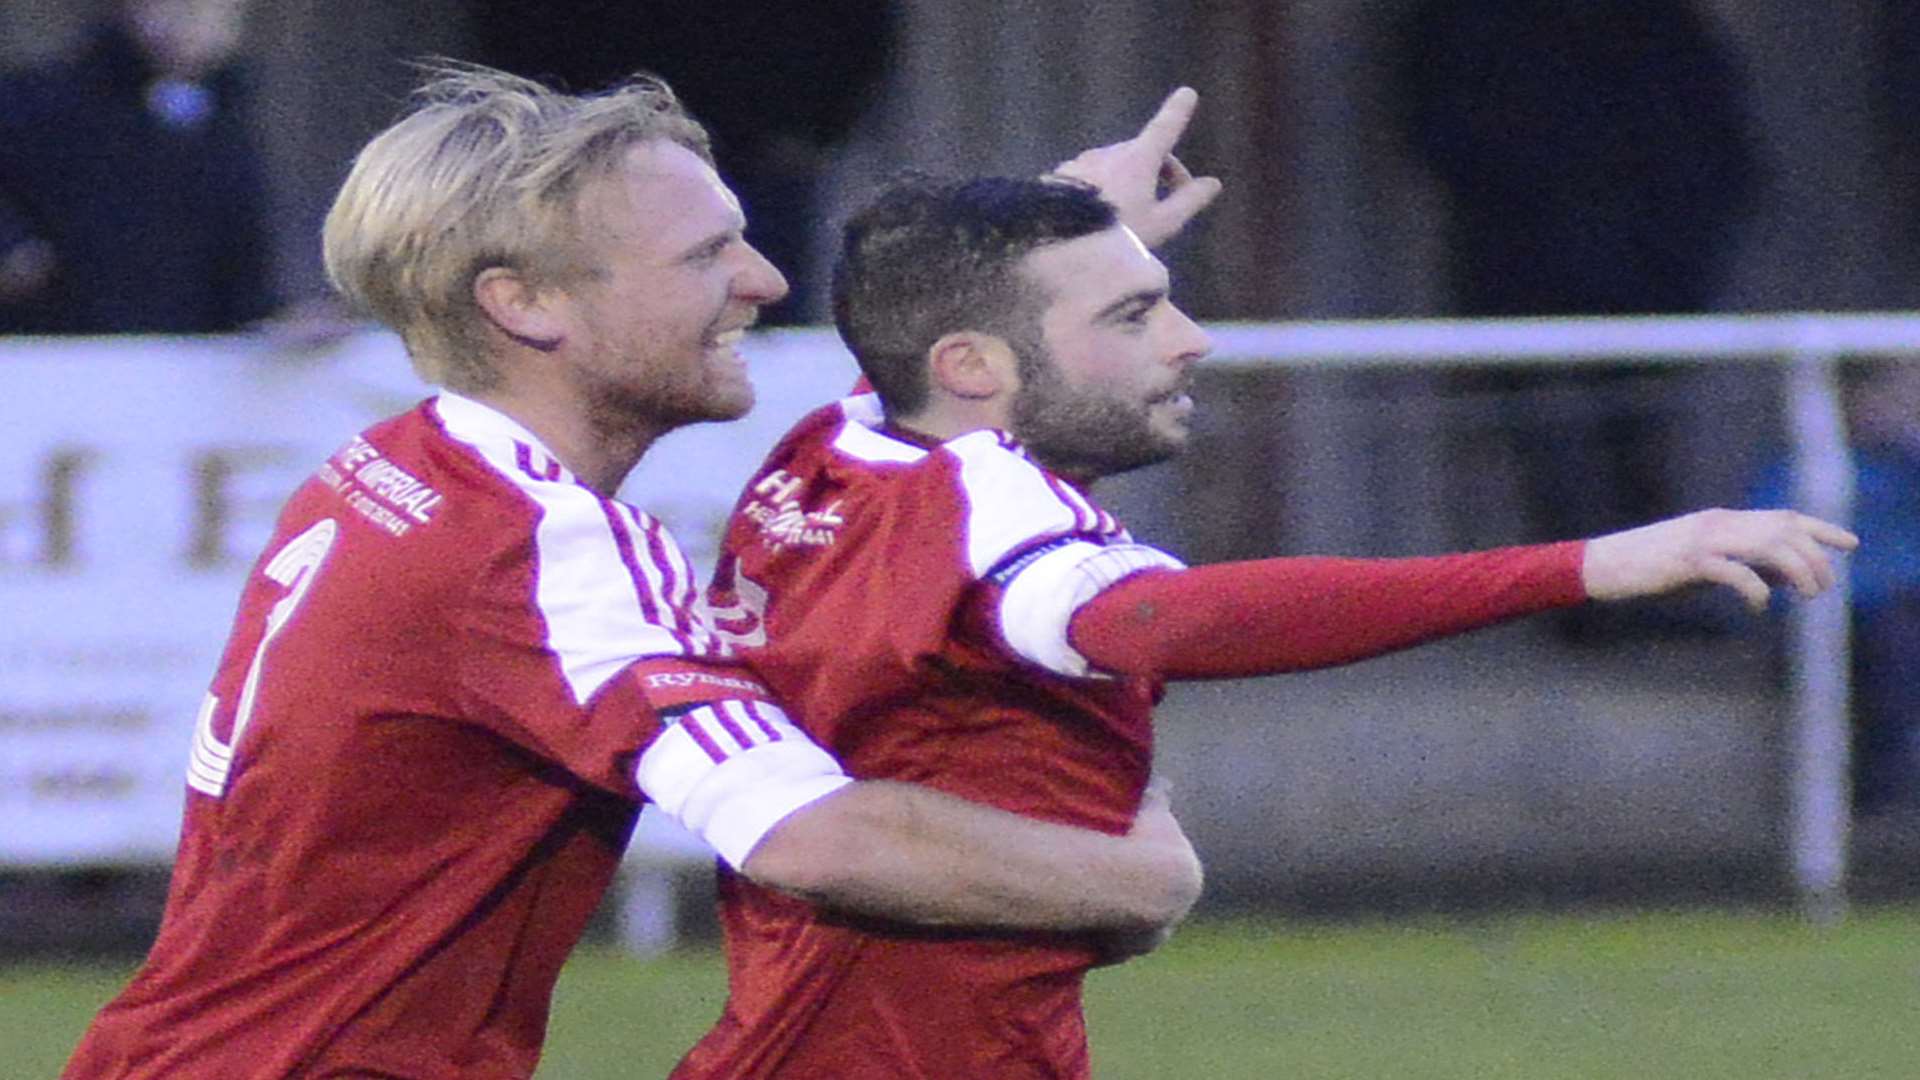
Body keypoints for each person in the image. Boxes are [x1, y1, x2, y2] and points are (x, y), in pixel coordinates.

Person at [59, 65, 1209, 1079]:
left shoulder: (400, 468)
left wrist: (1050, 258)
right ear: (525, 303)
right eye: (707, 253)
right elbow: (818, 840)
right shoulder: (536, 548)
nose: (762, 279)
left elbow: (895, 433)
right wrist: (1134, 882)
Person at [672, 171, 1857, 1076]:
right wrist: (1588, 564)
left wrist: (1083, 204)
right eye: (1135, 315)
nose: (1190, 341)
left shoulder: (836, 449)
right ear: (974, 363)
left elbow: (917, 307)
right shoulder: (1001, 521)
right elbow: (1173, 622)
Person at [1388, 0, 1764, 603]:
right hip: (1526, 256)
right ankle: (1575, 598)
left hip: (1644, 261)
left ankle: (1643, 596)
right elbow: (1444, 128)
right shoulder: (1468, 24)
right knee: (1550, 434)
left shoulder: (1655, 24)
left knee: (1636, 431)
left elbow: (1716, 135)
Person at [465, 0, 900, 325]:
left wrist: (818, 127)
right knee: (595, 311)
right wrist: (544, 124)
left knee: (757, 317)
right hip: (594, 144)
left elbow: (852, 26)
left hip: (762, 144)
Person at [0, 0, 277, 334]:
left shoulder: (226, 125)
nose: (191, 25)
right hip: (48, 347)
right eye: (177, 9)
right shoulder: (41, 101)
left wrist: (270, 321)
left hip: (177, 358)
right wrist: (12, 245)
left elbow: (240, 266)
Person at [1749, 358, 1920, 814]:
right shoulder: (1800, 467)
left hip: (1903, 605)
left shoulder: (1907, 466)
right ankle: (1875, 803)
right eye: (1887, 396)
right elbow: (1764, 552)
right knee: (1890, 652)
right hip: (1838, 615)